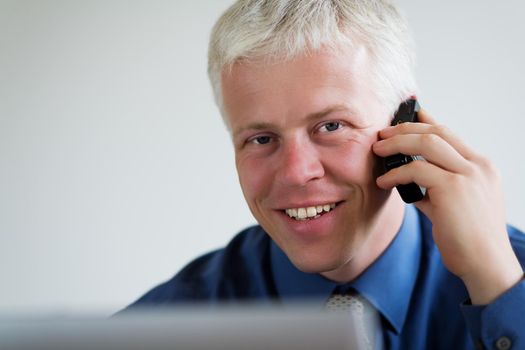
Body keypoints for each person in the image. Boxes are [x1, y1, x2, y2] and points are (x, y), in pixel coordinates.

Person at [125, 1, 525, 348]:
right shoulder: (160, 327)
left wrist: (496, 287)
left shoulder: (506, 275)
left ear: (407, 125)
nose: (297, 173)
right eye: (262, 138)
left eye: (332, 126)